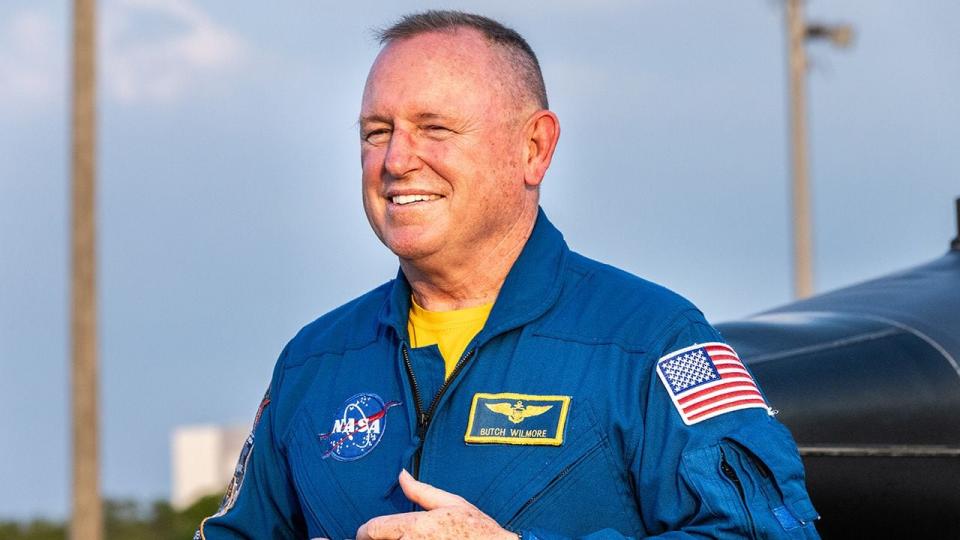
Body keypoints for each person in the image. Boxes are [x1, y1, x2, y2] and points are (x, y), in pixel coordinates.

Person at [198, 10, 820, 540]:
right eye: (376, 132)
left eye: (434, 128)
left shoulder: (651, 340)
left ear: (534, 149)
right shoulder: (314, 363)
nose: (396, 160)